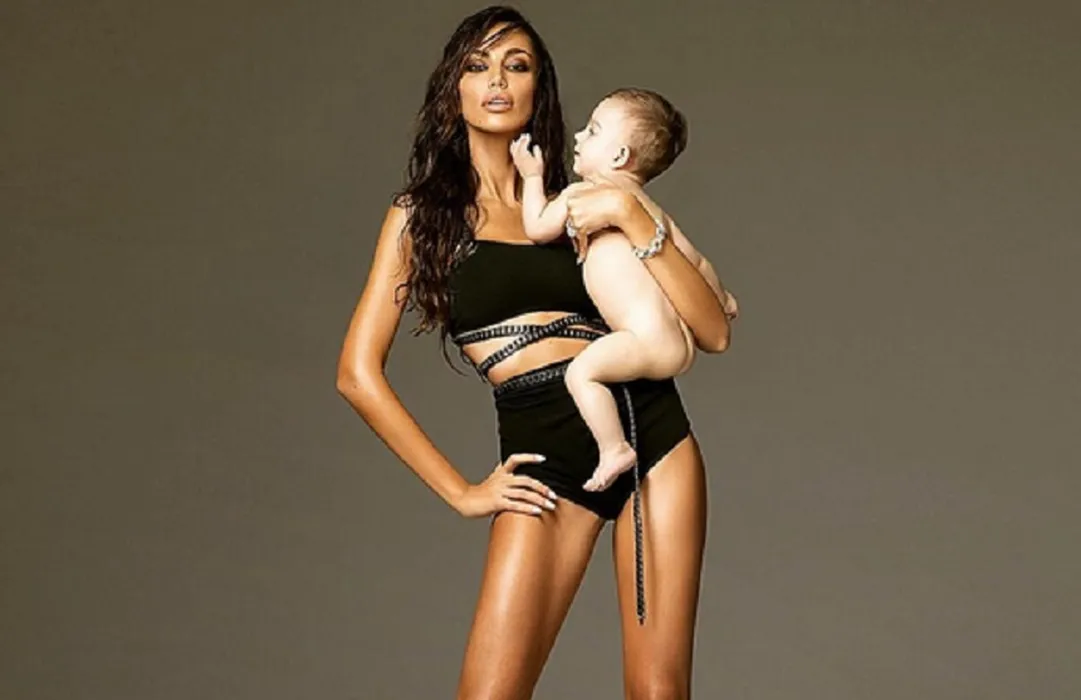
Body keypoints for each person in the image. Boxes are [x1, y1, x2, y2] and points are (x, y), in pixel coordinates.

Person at [336, 6, 735, 698]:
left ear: (537, 87)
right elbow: (356, 375)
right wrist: (462, 492)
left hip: (649, 431)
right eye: (478, 65)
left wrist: (632, 215)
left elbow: (714, 333)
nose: (497, 80)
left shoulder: (581, 202)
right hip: (543, 451)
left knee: (659, 690)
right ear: (453, 88)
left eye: (515, 65)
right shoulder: (421, 217)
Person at [510, 87, 735, 493]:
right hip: (676, 342)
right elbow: (696, 262)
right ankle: (616, 447)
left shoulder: (580, 194)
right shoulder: (650, 209)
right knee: (589, 373)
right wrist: (722, 297)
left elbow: (537, 228)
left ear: (619, 157)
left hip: (644, 341)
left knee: (581, 373)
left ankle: (613, 448)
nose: (579, 135)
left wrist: (530, 177)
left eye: (593, 130)